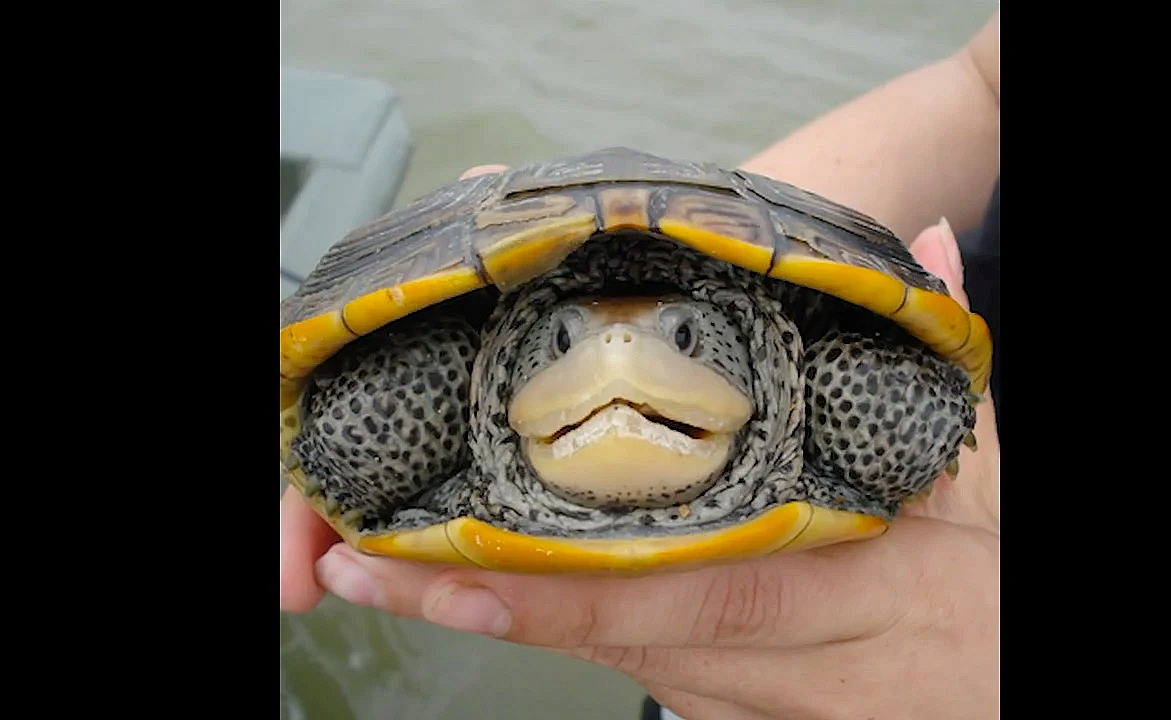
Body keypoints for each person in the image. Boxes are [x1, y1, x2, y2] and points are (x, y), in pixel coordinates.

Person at [281, 11, 999, 720]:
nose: (618, 358)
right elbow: (983, 83)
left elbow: (907, 392)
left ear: (758, 369)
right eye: (563, 343)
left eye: (684, 339)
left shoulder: (825, 388)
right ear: (499, 385)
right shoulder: (445, 385)